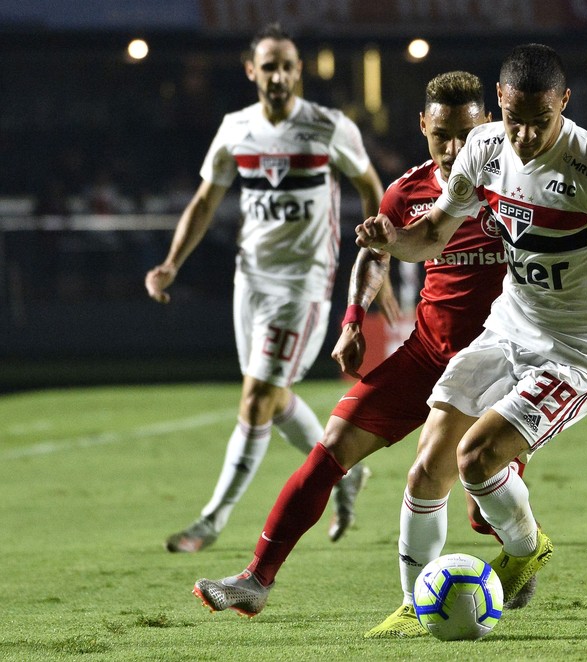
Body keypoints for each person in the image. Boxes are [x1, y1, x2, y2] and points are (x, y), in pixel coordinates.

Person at [358, 43, 587, 637]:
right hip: (511, 324)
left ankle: (524, 548)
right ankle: (417, 607)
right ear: (499, 103)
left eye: (539, 121)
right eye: (514, 118)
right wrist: (393, 243)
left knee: (478, 458)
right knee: (424, 472)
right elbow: (436, 232)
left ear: (564, 103)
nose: (523, 135)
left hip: (581, 346)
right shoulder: (483, 149)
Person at [191, 70, 538, 621]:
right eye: (439, 133)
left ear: (488, 126)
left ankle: (522, 553)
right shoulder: (407, 192)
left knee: (477, 506)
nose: (452, 149)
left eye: (465, 135)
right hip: (427, 352)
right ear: (422, 124)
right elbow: (375, 252)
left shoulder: (522, 184)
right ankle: (256, 579)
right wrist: (353, 319)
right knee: (330, 449)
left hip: (504, 364)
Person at [145, 23, 385, 553]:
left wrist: (378, 260)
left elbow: (372, 187)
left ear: (299, 71)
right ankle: (344, 474)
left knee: (255, 398)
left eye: (287, 65)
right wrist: (170, 264)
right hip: (249, 279)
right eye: (268, 65)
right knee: (274, 400)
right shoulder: (236, 129)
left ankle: (210, 522)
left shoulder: (327, 127)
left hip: (303, 282)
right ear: (251, 71)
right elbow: (206, 200)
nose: (278, 75)